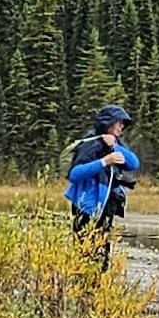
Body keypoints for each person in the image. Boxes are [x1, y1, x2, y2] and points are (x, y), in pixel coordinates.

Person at [64, 104, 141, 250]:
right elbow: (74, 174)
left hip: (106, 206)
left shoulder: (116, 143)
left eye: (123, 124)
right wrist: (104, 162)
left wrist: (114, 146)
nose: (122, 127)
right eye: (119, 123)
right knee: (85, 251)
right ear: (109, 123)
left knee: (102, 251)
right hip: (86, 206)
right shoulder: (91, 143)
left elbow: (133, 163)